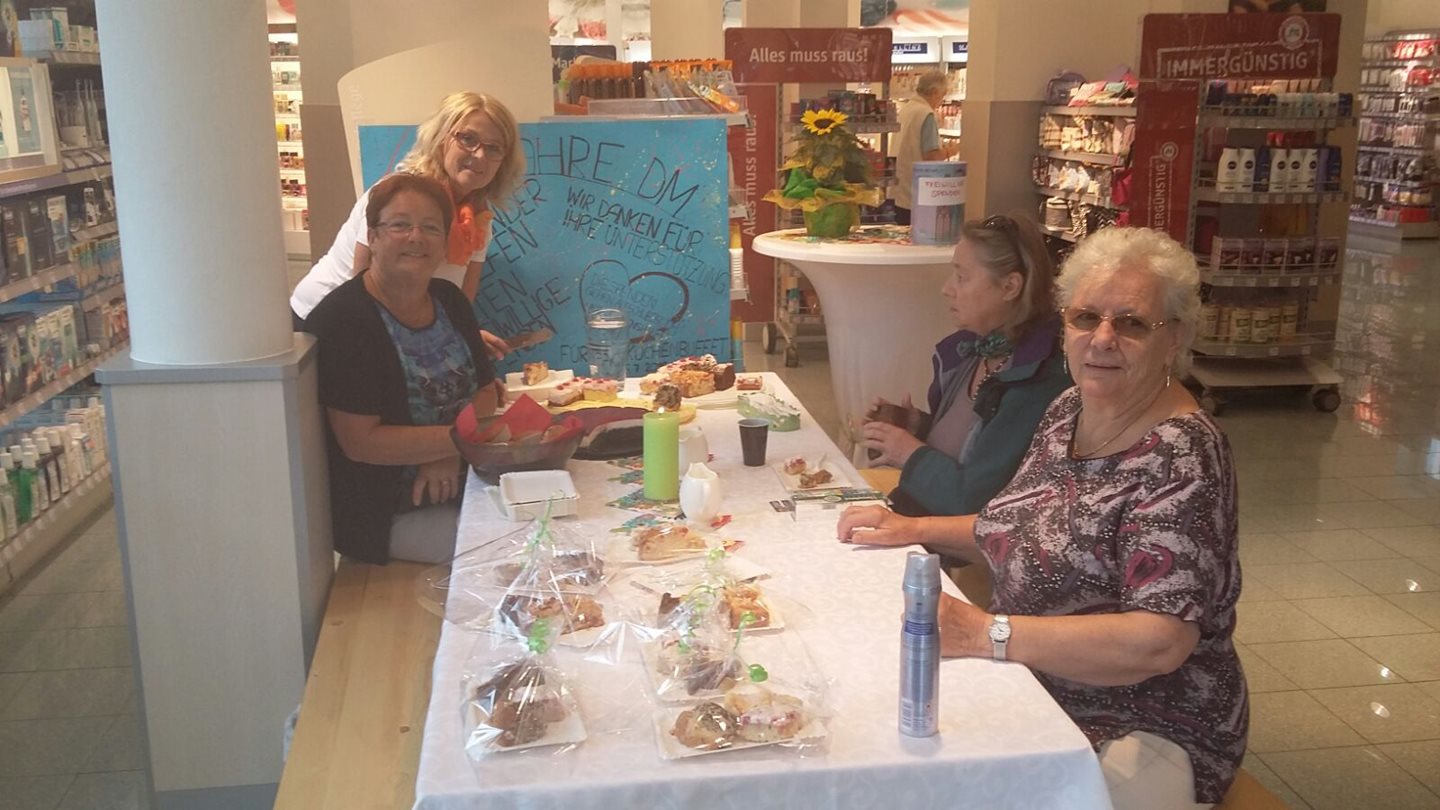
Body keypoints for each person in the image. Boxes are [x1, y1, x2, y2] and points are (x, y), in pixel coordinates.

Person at [840, 227, 1247, 809]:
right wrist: (913, 529)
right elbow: (1019, 526)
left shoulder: (1182, 453)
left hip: (1145, 723)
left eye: (1131, 323)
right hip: (1035, 680)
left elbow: (1158, 642)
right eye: (1085, 318)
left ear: (1174, 337)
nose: (1102, 339)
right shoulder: (1069, 409)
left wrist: (989, 634)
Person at [307, 173, 500, 565]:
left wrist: (446, 450)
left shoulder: (450, 301)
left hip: (468, 484)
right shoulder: (344, 319)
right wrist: (453, 441)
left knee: (561, 518)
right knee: (513, 550)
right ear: (373, 237)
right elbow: (361, 442)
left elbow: (485, 395)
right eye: (400, 225)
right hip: (388, 514)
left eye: (431, 227)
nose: (417, 237)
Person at [863, 215, 1071, 517]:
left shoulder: (1038, 382)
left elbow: (975, 501)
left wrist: (909, 453)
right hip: (918, 513)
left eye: (961, 277)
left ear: (1010, 286)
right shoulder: (973, 350)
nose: (947, 289)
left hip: (944, 544)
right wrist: (918, 426)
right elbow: (969, 446)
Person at [291, 91, 524, 360]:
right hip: (324, 324)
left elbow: (459, 308)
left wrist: (466, 344)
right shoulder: (396, 197)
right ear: (441, 139)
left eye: (494, 147)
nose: (480, 155)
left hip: (388, 331)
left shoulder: (479, 223)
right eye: (468, 139)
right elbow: (364, 294)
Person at [892, 71, 958, 226]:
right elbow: (931, 155)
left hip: (900, 188)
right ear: (935, 92)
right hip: (916, 193)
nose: (942, 99)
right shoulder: (926, 114)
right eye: (943, 94)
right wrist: (952, 150)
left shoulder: (907, 108)